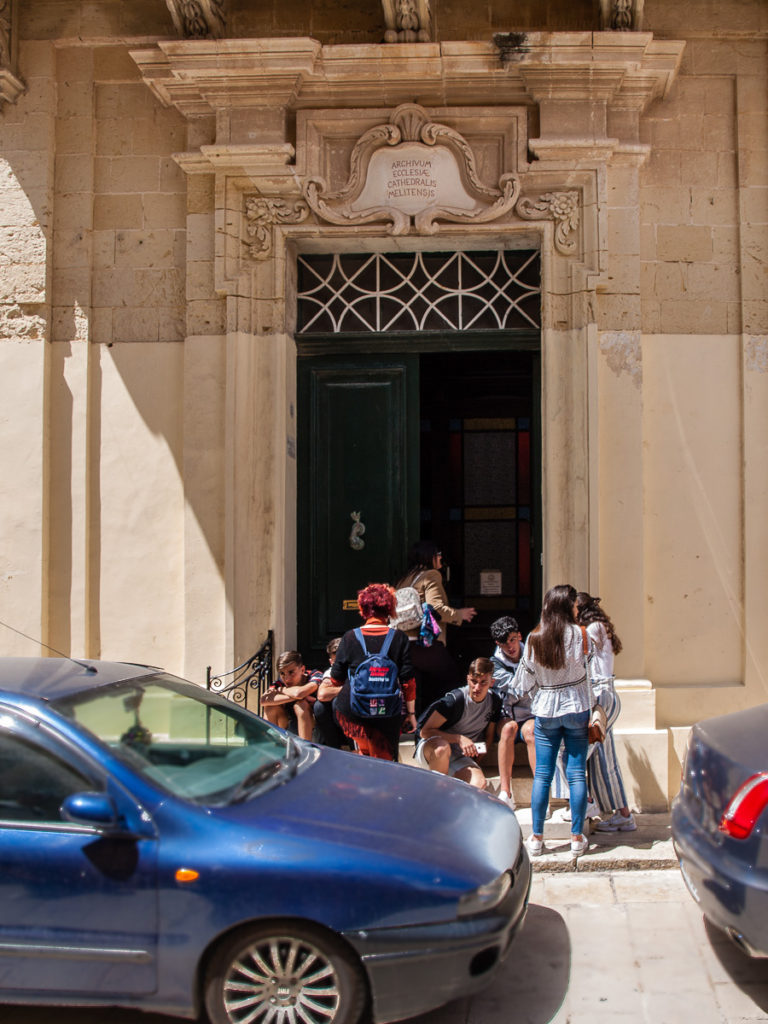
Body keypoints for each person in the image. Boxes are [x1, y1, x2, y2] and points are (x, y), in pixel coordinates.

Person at [516, 584, 596, 860]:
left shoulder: (535, 637)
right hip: (576, 707)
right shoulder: (581, 635)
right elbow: (592, 675)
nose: (577, 608)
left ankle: (537, 838)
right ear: (566, 606)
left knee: (542, 774)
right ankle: (576, 837)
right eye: (574, 604)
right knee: (576, 773)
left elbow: (524, 681)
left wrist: (543, 689)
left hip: (546, 709)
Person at [331, 583, 417, 760]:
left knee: (365, 753)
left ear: (363, 609)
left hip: (354, 710)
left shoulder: (349, 637)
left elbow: (336, 679)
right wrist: (411, 714)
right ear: (390, 608)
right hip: (387, 711)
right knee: (383, 759)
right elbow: (408, 682)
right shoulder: (399, 638)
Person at [576, 592, 636, 832]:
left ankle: (586, 804)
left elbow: (581, 663)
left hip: (600, 698)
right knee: (605, 758)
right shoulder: (601, 627)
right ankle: (623, 814)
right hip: (607, 695)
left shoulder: (591, 630)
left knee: (577, 752)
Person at [395, 540, 476, 712]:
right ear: (428, 557)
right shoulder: (430, 575)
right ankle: (444, 722)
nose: (441, 557)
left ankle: (416, 724)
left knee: (416, 688)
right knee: (451, 680)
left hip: (403, 644)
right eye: (437, 553)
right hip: (425, 643)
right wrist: (459, 614)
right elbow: (436, 608)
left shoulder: (404, 579)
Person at [415, 658, 508, 792]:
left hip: (459, 756)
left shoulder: (494, 701)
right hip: (433, 749)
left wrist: (476, 758)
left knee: (479, 784)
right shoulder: (454, 701)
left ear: (491, 682)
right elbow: (425, 732)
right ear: (467, 679)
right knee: (442, 748)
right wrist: (458, 738)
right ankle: (436, 795)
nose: (477, 688)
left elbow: (489, 736)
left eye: (483, 683)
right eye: (474, 682)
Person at [489, 616, 536, 805]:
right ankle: (505, 792)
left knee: (532, 732)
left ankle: (540, 793)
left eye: (512, 640)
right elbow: (517, 689)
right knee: (508, 729)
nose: (510, 647)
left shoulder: (534, 654)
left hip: (531, 713)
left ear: (519, 636)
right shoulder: (495, 664)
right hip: (507, 716)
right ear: (497, 644)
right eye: (503, 643)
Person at [260, 650, 320, 741]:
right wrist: (297, 695)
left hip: (313, 726)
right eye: (282, 674)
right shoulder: (279, 683)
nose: (287, 679)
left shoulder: (314, 675)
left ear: (302, 669)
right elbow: (264, 700)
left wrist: (282, 690)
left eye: (291, 672)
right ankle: (273, 746)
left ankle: (305, 748)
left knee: (301, 705)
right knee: (270, 707)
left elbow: (299, 693)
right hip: (288, 724)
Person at [312, 637, 346, 749]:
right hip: (334, 726)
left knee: (337, 702)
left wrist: (334, 690)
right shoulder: (329, 673)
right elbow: (322, 695)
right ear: (331, 662)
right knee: (319, 707)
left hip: (353, 722)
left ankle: (354, 746)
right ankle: (333, 747)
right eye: (337, 663)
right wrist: (346, 688)